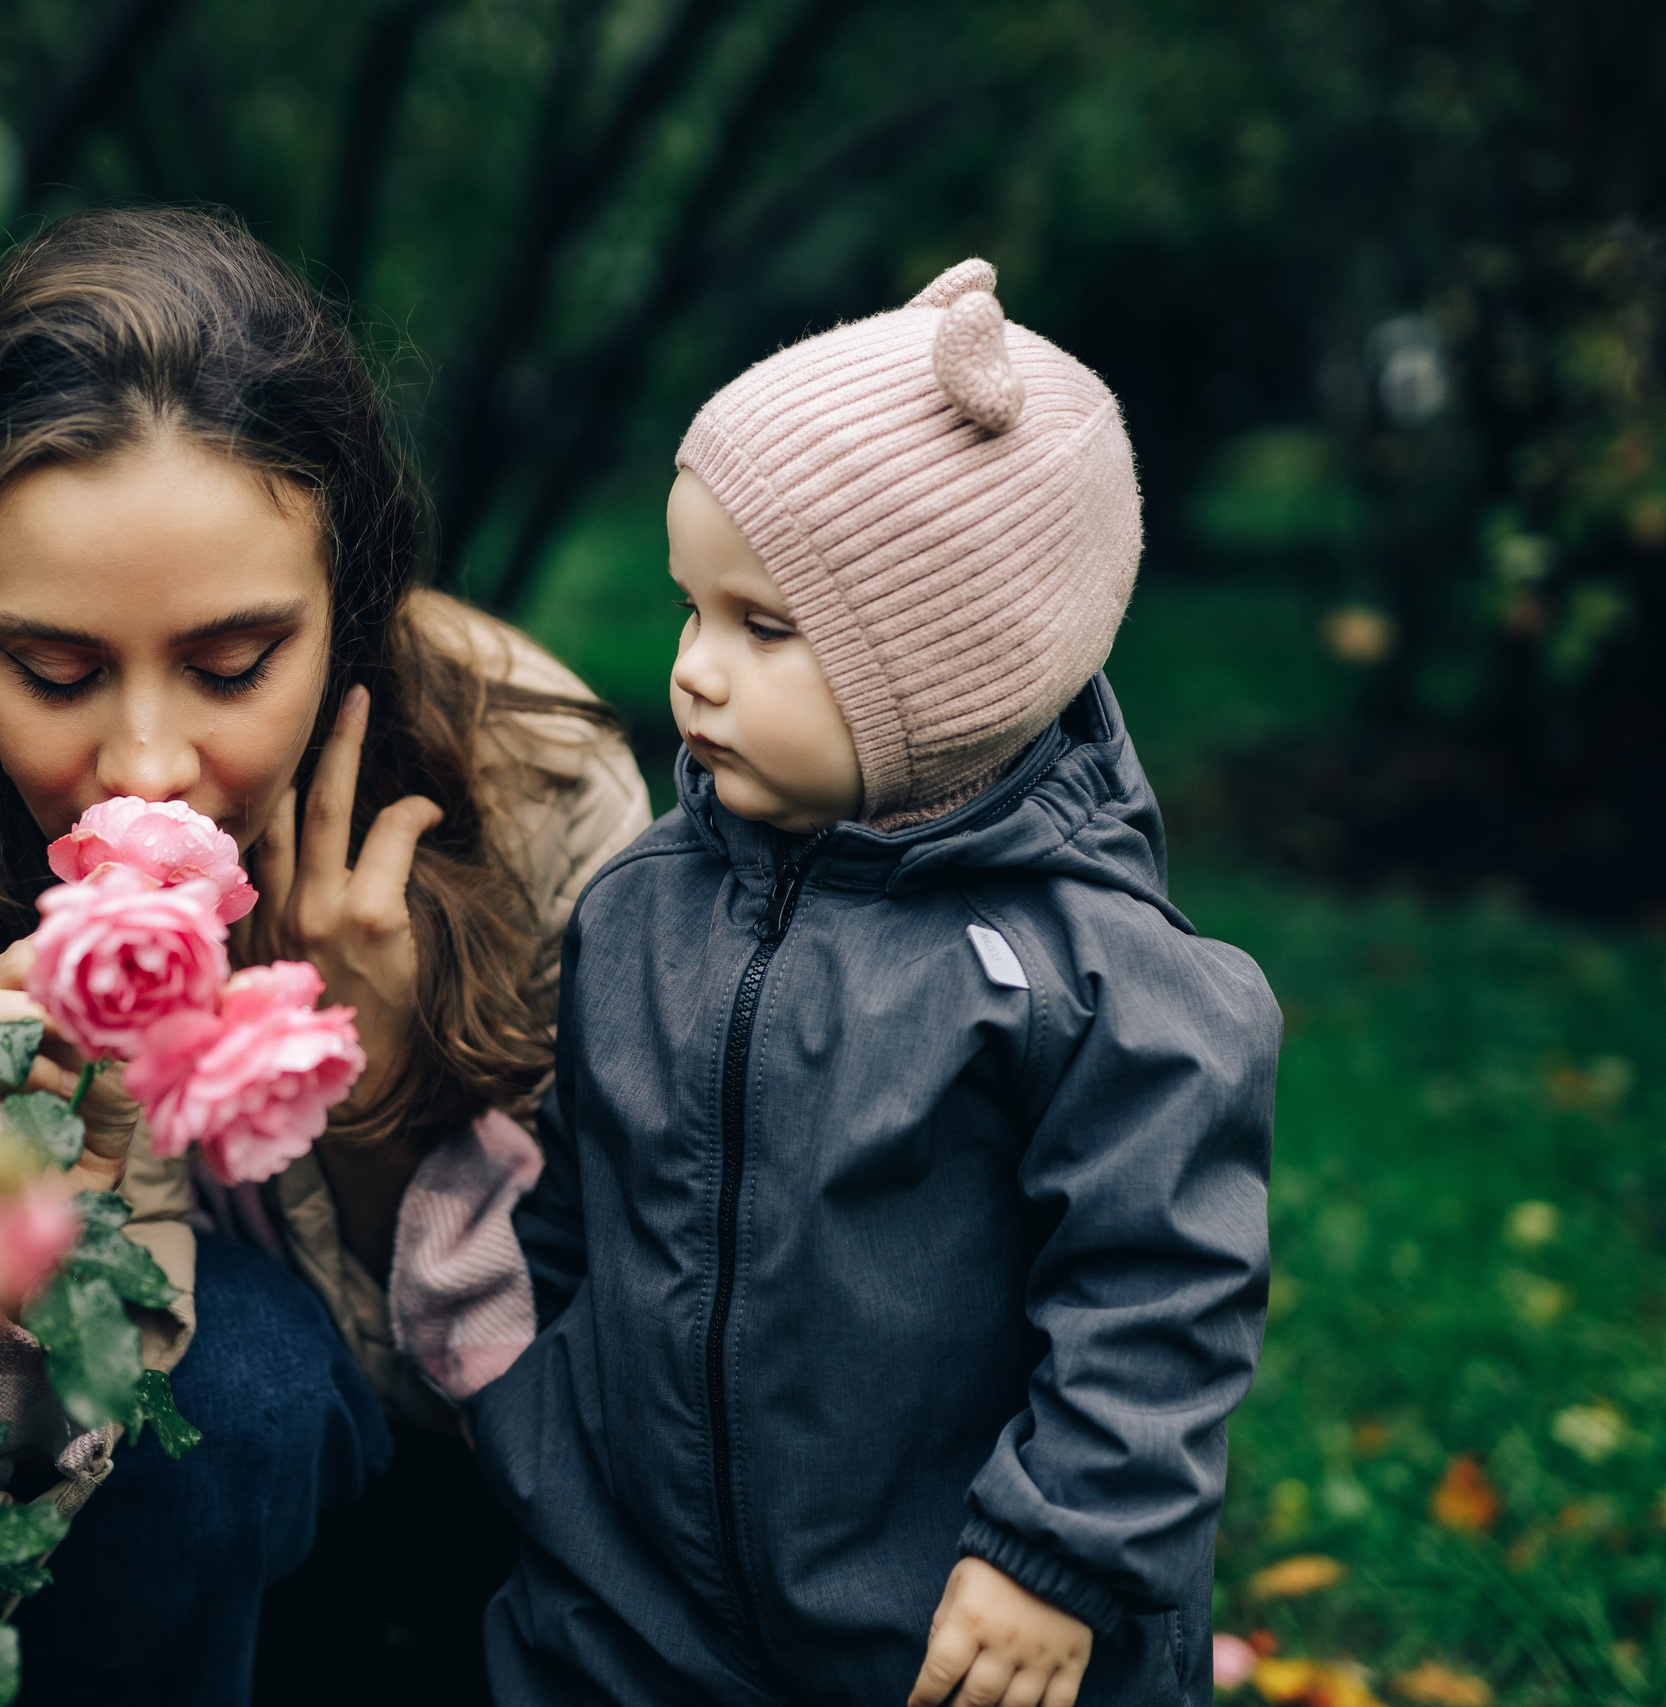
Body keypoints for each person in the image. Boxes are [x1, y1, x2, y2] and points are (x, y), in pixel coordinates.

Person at [0, 208, 652, 1703]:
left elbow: (641, 1370)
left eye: (235, 666)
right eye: (51, 671)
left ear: (350, 606)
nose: (150, 763)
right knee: (221, 1386)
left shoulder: (524, 781)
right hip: (18, 1566)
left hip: (462, 1573)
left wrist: (387, 1102)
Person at [462, 260, 1279, 1707]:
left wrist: (1057, 1556)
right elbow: (578, 1217)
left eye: (764, 628)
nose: (695, 675)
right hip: (628, 1623)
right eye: (688, 610)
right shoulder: (643, 906)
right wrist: (535, 1442)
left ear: (961, 665)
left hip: (949, 1645)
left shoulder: (1090, 978)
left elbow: (1157, 1294)